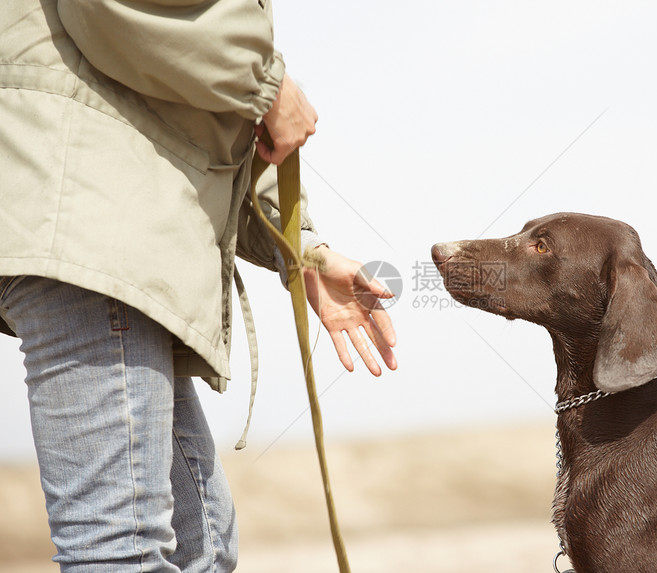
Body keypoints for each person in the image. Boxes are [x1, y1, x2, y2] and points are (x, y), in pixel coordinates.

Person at [0, 1, 397, 571]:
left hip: (121, 229)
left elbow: (197, 116)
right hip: (97, 224)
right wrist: (267, 82)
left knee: (202, 549)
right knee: (121, 552)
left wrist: (304, 252)